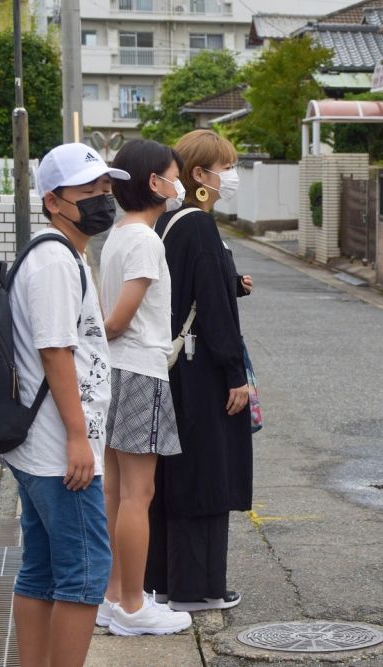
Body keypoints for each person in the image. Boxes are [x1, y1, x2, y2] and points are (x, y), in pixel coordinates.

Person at [3, 143, 128, 665]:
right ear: (54, 201)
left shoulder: (57, 252)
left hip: (39, 448)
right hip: (59, 451)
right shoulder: (55, 259)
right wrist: (79, 440)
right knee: (84, 573)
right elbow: (55, 353)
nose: (104, 198)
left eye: (106, 188)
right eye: (90, 190)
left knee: (44, 569)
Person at [145, 129, 252, 611]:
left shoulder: (168, 223)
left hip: (172, 367)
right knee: (208, 476)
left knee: (174, 477)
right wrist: (236, 375)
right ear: (198, 175)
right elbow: (211, 307)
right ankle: (200, 589)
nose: (229, 176)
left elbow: (186, 289)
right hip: (203, 368)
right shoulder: (201, 226)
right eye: (224, 168)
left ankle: (165, 582)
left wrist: (233, 283)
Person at [96, 139, 193, 636]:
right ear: (154, 183)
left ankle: (114, 597)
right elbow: (116, 320)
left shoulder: (117, 234)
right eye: (174, 176)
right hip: (138, 371)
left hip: (117, 372)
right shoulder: (145, 241)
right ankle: (133, 606)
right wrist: (95, 336)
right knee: (139, 493)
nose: (179, 185)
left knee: (116, 491)